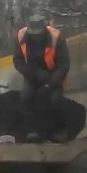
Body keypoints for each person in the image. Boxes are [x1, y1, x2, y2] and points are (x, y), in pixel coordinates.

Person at [12, 14, 70, 142]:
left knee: (54, 100)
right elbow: (18, 61)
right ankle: (32, 130)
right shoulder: (20, 37)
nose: (36, 37)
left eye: (38, 34)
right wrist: (33, 75)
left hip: (53, 73)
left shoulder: (56, 37)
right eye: (34, 35)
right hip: (32, 73)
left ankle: (59, 129)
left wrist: (51, 83)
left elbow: (64, 63)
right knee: (26, 98)